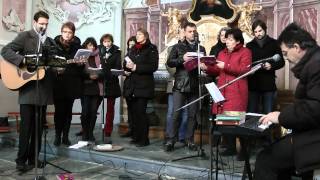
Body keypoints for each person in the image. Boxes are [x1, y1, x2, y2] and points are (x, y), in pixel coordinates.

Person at [254, 23, 320, 180]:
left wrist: (280, 117)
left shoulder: (316, 65)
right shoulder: (315, 61)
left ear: (296, 47)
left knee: (265, 159)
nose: (286, 58)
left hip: (315, 137)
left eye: (285, 53)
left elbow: (314, 108)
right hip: (312, 132)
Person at [1, 11, 56, 172]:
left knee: (39, 128)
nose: (44, 27)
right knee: (26, 128)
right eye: (41, 23)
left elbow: (52, 63)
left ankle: (34, 159)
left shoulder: (50, 42)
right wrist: (23, 60)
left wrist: (58, 67)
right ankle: (20, 160)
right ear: (34, 22)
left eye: (46, 24)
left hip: (43, 90)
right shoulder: (25, 36)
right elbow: (5, 51)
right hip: (27, 91)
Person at [202, 28, 252, 155]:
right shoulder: (221, 53)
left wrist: (227, 66)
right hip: (222, 90)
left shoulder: (246, 52)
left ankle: (244, 150)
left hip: (237, 91)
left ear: (238, 41)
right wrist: (206, 68)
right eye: (227, 39)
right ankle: (230, 148)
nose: (227, 42)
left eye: (230, 39)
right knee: (225, 123)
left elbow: (244, 70)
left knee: (237, 122)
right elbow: (217, 71)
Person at [165, 22, 206, 152]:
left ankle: (189, 139)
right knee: (176, 113)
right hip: (180, 85)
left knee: (192, 115)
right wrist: (182, 58)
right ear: (185, 32)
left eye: (194, 31)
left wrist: (205, 66)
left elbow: (206, 65)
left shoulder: (201, 48)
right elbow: (170, 63)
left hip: (195, 84)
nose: (192, 33)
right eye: (189, 31)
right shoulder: (178, 47)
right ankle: (171, 139)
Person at [123, 28, 159, 147]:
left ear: (146, 36)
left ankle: (144, 139)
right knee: (134, 114)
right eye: (137, 34)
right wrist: (126, 69)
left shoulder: (152, 48)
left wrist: (136, 68)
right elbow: (126, 61)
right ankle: (136, 137)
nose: (137, 36)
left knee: (141, 113)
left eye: (140, 34)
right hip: (132, 86)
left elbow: (153, 66)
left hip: (143, 86)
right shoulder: (134, 48)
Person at [53, 22, 83, 146]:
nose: (67, 34)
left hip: (71, 83)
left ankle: (65, 136)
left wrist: (80, 64)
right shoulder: (54, 45)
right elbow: (50, 63)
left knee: (68, 112)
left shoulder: (77, 47)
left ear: (73, 34)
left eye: (70, 32)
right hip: (58, 83)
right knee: (59, 111)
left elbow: (80, 69)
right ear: (61, 32)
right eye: (65, 32)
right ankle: (57, 136)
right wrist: (56, 70)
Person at [246, 20, 285, 114]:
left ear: (265, 30)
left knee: (268, 114)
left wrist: (271, 66)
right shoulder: (249, 46)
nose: (258, 34)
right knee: (251, 114)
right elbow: (246, 64)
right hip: (253, 85)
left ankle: (268, 129)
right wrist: (250, 69)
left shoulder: (274, 43)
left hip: (268, 85)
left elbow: (281, 62)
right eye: (255, 32)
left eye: (260, 31)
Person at [165, 28, 188, 144]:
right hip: (174, 82)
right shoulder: (172, 48)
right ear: (178, 35)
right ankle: (169, 136)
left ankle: (182, 136)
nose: (184, 36)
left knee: (185, 113)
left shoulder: (192, 48)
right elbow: (169, 65)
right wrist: (178, 75)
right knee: (171, 112)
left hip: (187, 84)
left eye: (186, 33)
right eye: (182, 34)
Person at [99, 34, 122, 144]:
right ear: (102, 42)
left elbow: (118, 68)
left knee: (110, 109)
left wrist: (106, 70)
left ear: (112, 42)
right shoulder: (99, 51)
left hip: (112, 83)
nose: (107, 44)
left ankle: (108, 132)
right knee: (94, 107)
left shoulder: (117, 52)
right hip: (100, 82)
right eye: (105, 42)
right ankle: (86, 131)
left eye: (109, 41)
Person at [80, 37, 103, 142]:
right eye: (89, 45)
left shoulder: (99, 56)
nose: (92, 47)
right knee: (85, 112)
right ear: (85, 46)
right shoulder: (81, 56)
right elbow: (78, 72)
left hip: (96, 88)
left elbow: (104, 70)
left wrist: (97, 75)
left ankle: (90, 133)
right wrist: (88, 76)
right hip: (85, 87)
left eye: (93, 45)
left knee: (93, 112)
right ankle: (85, 132)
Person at [121, 36, 137, 138]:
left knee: (136, 110)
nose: (131, 46)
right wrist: (124, 72)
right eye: (129, 44)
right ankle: (131, 129)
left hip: (135, 84)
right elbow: (123, 68)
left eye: (133, 44)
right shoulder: (127, 55)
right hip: (128, 84)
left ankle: (136, 131)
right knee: (130, 109)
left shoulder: (138, 55)